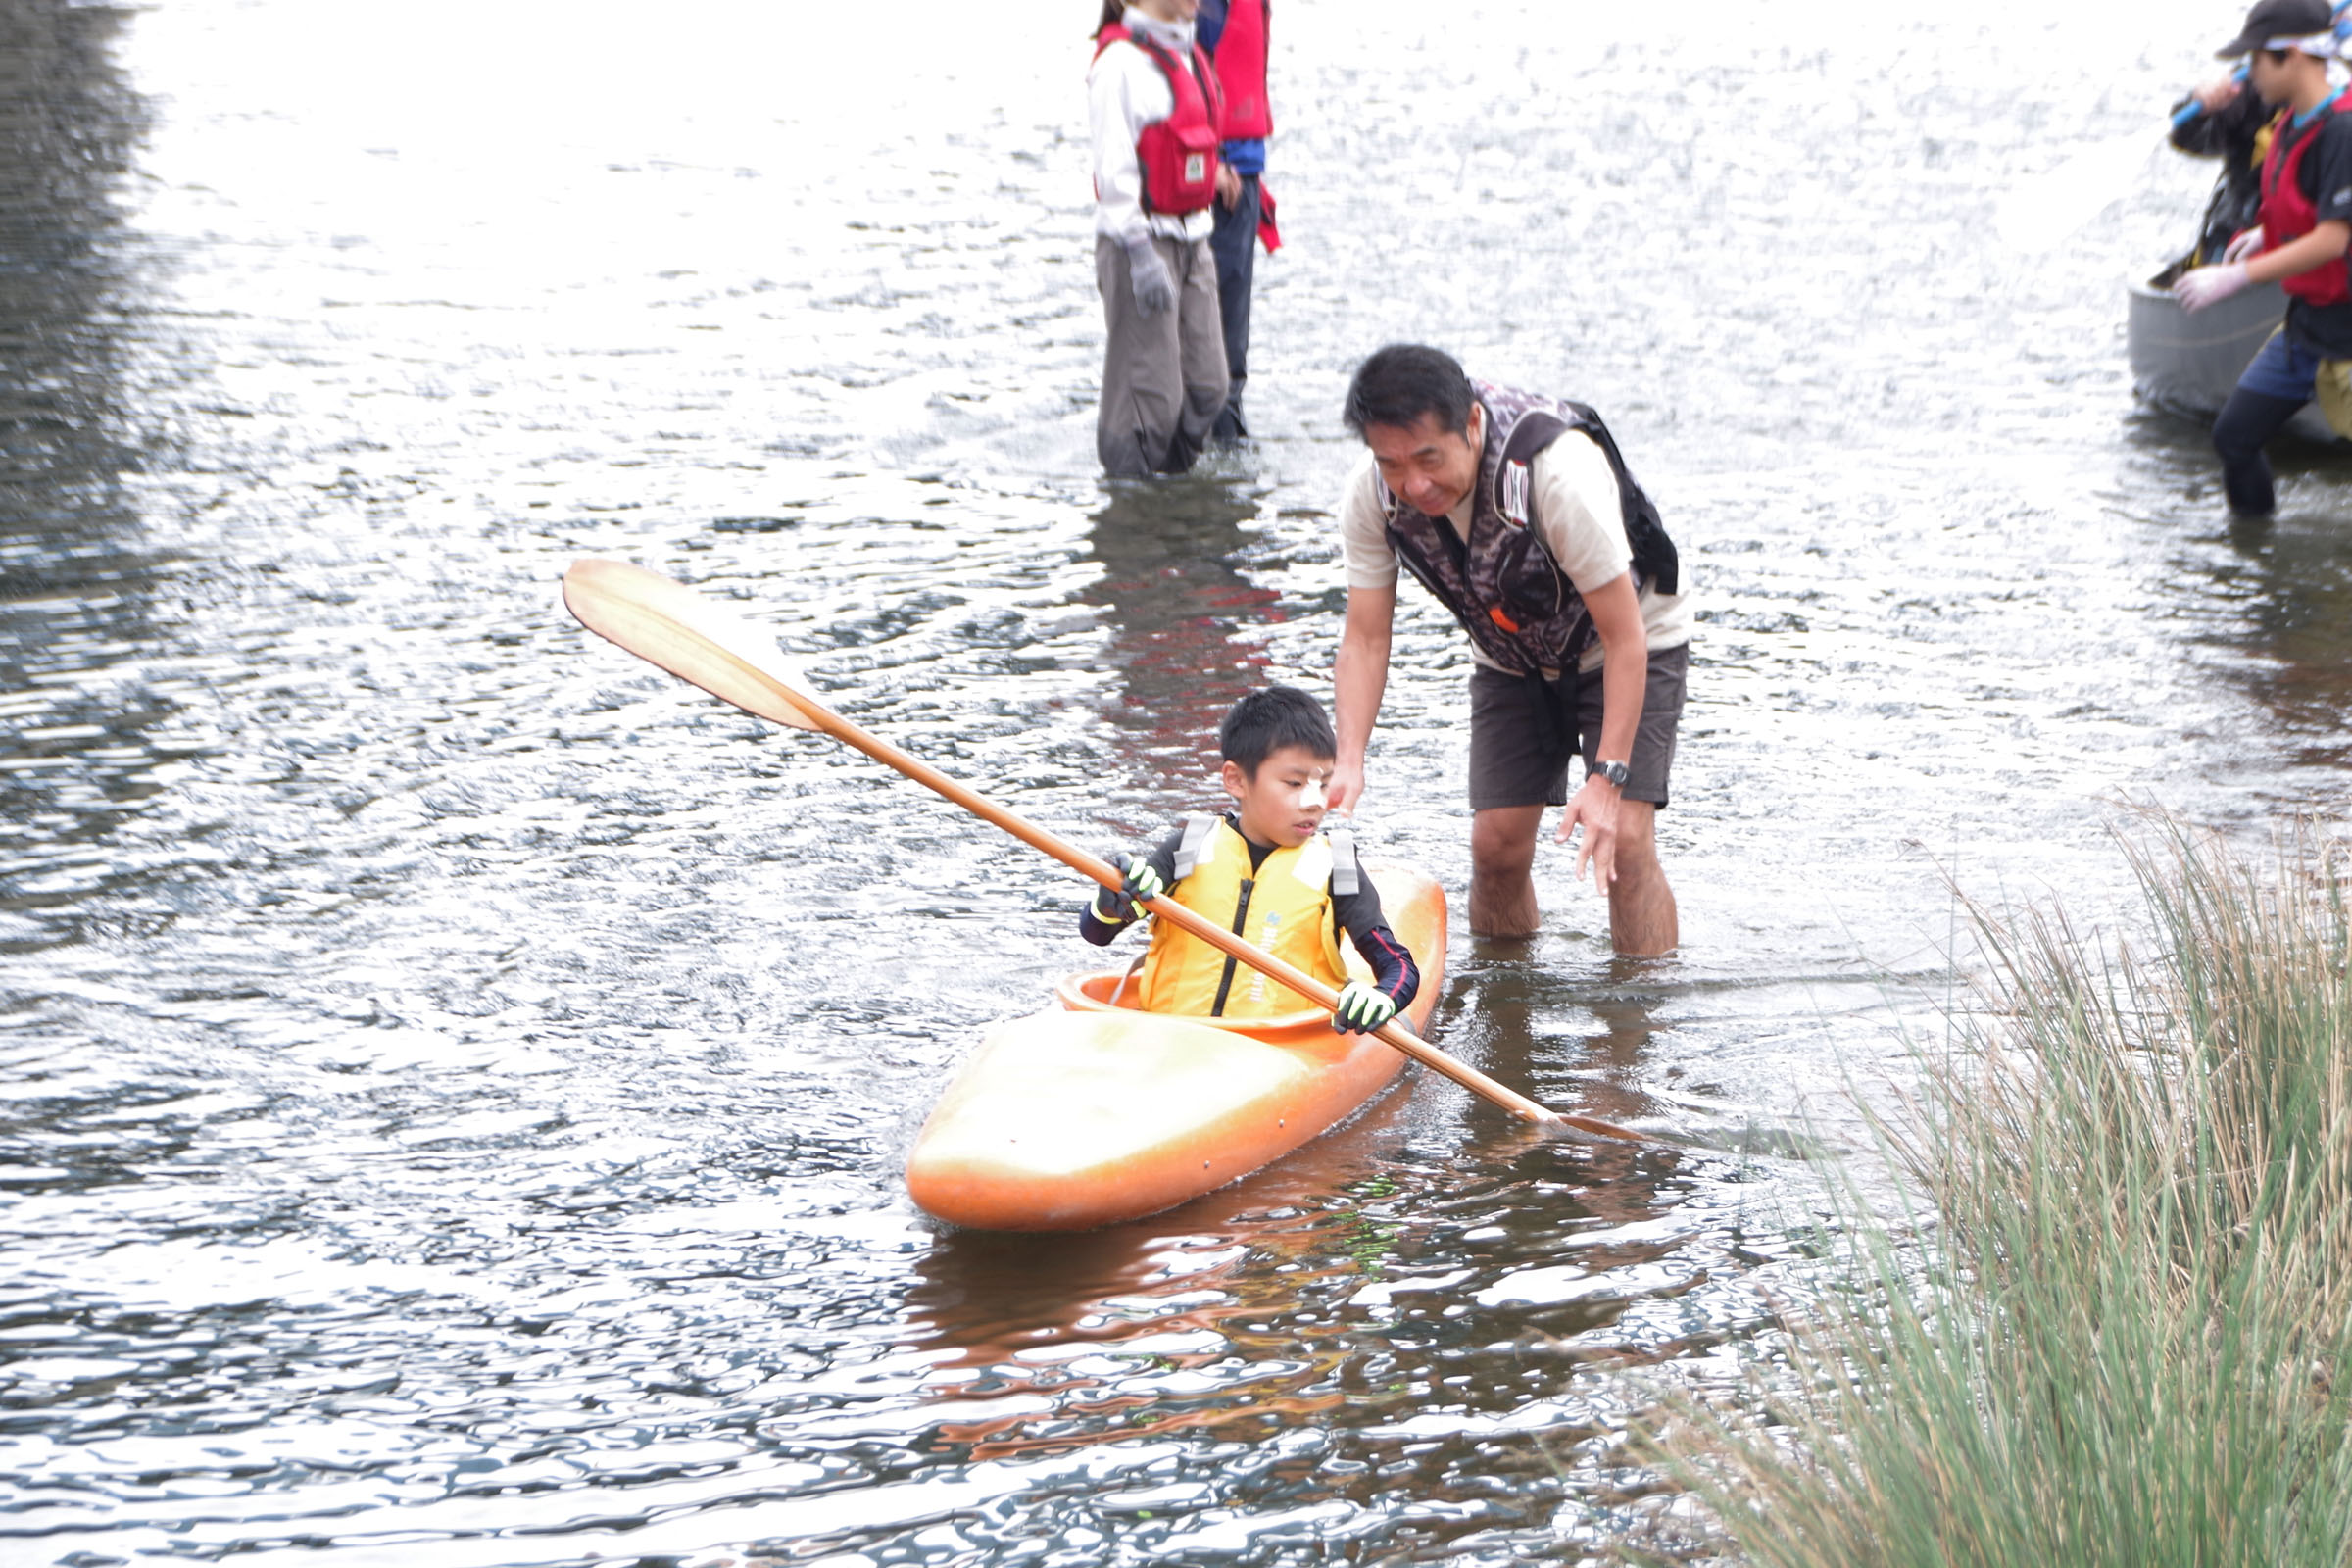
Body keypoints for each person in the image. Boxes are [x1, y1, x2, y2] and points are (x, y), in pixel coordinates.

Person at [1327, 345, 1689, 956]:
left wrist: (1607, 778)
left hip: (1627, 643)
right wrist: (1349, 756)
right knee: (1495, 846)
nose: (1414, 484)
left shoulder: (1553, 473)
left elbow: (1627, 636)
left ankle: (1639, 1026)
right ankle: (1508, 1014)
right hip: (1512, 658)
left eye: (1429, 459)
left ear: (1471, 424)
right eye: (1391, 464)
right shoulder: (1374, 496)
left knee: (1624, 838)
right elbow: (1365, 636)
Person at [1082, 686, 1420, 1033]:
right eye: (1294, 783)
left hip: (1278, 1047)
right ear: (1236, 780)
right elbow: (1097, 932)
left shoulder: (1337, 869)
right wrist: (1112, 900)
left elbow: (1399, 968)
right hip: (1170, 1035)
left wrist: (1383, 998)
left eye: (1323, 784)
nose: (1315, 802)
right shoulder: (1190, 848)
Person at [2173, 0, 2352, 514]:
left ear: (2293, 56)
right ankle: (2261, 564)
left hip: (2347, 328)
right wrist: (2265, 235)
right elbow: (2296, 207)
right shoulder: (2291, 122)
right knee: (2234, 437)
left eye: (2256, 62)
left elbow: (2332, 240)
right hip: (2305, 329)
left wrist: (2237, 278)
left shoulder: (2342, 129)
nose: (2248, 75)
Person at [1090, 0, 1231, 477]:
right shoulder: (1119, 65)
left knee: (1209, 386)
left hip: (1194, 237)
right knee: (1149, 400)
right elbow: (1114, 172)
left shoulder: (1190, 55)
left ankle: (1170, 496)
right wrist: (1138, 251)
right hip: (1141, 243)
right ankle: (1131, 508)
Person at [1198, 0, 1276, 443]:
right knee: (1218, 329)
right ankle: (1220, 441)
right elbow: (1179, 70)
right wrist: (1213, 163)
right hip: (1218, 177)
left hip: (1238, 169)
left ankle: (1226, 439)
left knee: (1228, 330)